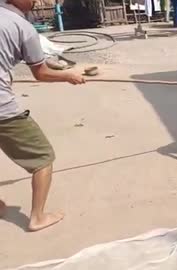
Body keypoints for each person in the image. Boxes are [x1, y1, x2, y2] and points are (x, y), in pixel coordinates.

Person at [0, 0, 85, 231]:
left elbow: (34, 61)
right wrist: (69, 75)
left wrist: (50, 64)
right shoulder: (22, 26)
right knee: (43, 158)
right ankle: (37, 217)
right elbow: (41, 74)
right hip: (1, 109)